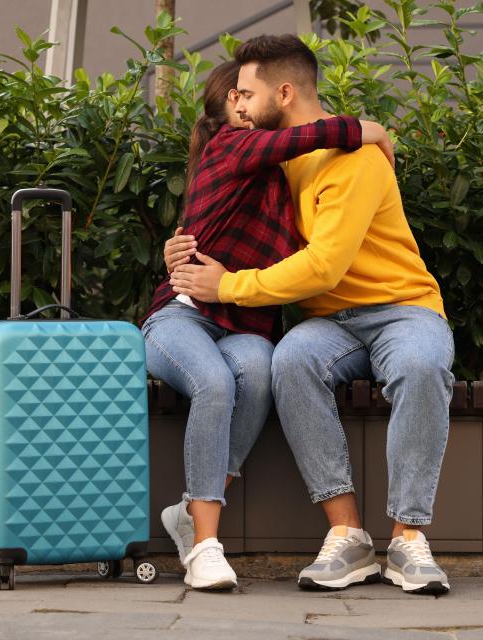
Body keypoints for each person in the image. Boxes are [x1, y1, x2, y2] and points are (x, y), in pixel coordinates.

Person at [167, 35, 456, 595]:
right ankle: (347, 535)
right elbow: (223, 215)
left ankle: (408, 537)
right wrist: (179, 248)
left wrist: (228, 286)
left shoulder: (352, 159)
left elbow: (323, 266)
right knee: (291, 362)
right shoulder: (277, 157)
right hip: (330, 322)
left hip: (403, 309)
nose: (239, 104)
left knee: (421, 366)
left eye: (247, 93)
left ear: (283, 93)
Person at [142, 59, 395, 590]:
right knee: (214, 382)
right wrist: (366, 130)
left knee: (259, 374)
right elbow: (305, 135)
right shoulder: (232, 145)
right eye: (234, 95)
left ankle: (189, 512)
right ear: (223, 107)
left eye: (248, 93)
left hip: (244, 327)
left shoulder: (285, 175)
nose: (242, 102)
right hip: (183, 316)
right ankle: (205, 546)